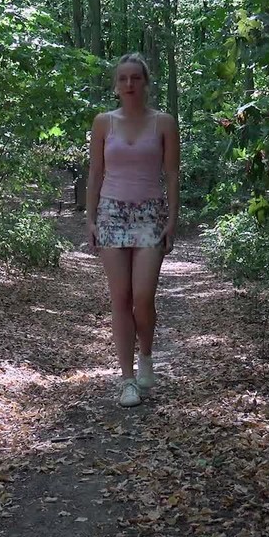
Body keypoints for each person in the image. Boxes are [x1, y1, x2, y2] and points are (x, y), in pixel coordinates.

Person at [86, 53, 181, 407]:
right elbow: (96, 172)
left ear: (146, 83)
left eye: (136, 78)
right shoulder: (103, 123)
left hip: (150, 215)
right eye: (123, 78)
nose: (129, 84)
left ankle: (146, 356)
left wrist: (172, 220)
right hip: (111, 213)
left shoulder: (164, 123)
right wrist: (90, 218)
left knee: (143, 297)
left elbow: (172, 174)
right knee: (120, 298)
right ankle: (127, 379)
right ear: (115, 85)